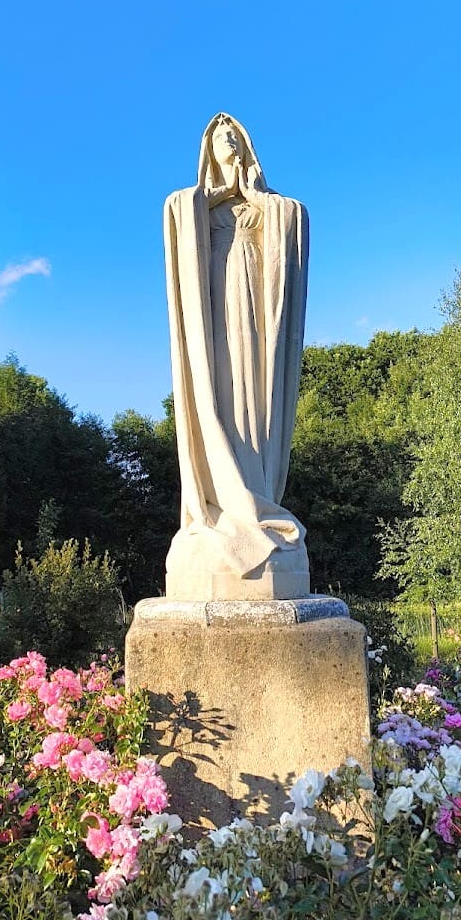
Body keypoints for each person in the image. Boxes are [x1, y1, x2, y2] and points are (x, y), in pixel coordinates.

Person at [163, 113, 310, 600]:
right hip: (215, 302)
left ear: (246, 147)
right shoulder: (193, 202)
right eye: (219, 136)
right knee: (219, 390)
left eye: (234, 135)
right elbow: (176, 215)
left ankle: (255, 496)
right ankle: (222, 499)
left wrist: (255, 197)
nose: (228, 139)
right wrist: (218, 195)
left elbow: (294, 218)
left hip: (255, 306)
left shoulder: (270, 204)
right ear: (208, 150)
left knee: (254, 396)